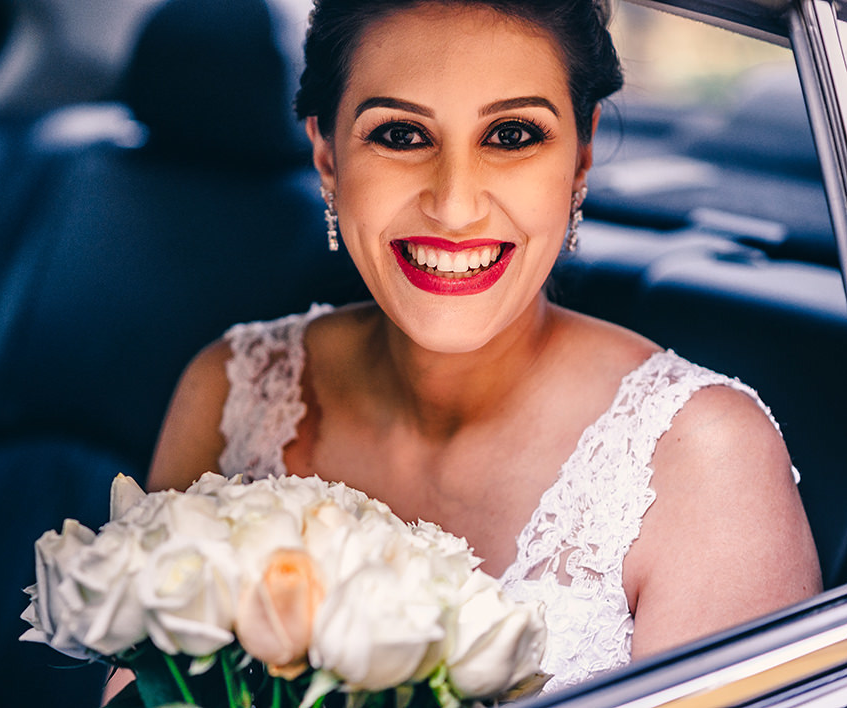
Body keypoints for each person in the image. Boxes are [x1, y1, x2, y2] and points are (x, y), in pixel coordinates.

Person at [142, 0, 822, 694]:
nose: (456, 206)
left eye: (513, 134)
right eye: (402, 135)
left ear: (580, 155)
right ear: (327, 154)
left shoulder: (704, 463)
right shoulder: (233, 391)